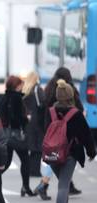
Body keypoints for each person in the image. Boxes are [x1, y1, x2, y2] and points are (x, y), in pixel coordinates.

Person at [44, 79, 96, 203]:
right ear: (71, 95)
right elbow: (86, 135)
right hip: (69, 154)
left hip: (52, 154)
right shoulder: (76, 114)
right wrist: (91, 152)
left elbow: (45, 131)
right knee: (63, 186)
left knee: (62, 184)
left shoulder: (50, 112)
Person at [44, 67, 84, 196]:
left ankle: (52, 185)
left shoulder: (50, 87)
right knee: (64, 157)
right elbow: (79, 106)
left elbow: (45, 107)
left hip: (52, 131)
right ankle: (44, 184)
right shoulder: (69, 89)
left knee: (56, 155)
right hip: (68, 133)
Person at [0, 76, 35, 197]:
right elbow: (17, 117)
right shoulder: (17, 98)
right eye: (21, 85)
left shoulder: (3, 97)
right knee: (26, 160)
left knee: (7, 162)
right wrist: (26, 120)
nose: (22, 87)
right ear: (16, 86)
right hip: (16, 135)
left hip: (4, 134)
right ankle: (26, 187)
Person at [22, 71, 46, 177]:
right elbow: (43, 104)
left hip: (28, 122)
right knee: (38, 147)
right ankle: (35, 171)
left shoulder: (25, 90)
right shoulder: (37, 89)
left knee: (32, 148)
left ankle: (31, 169)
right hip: (37, 122)